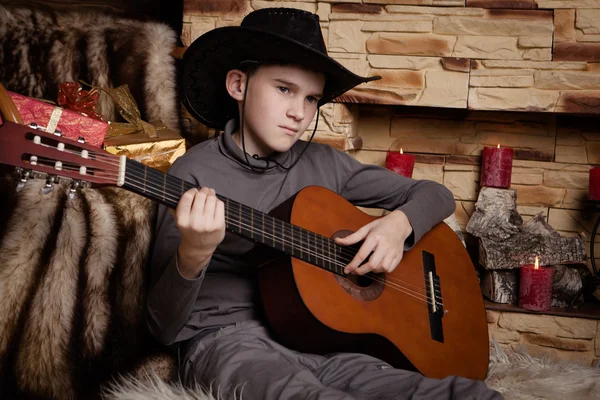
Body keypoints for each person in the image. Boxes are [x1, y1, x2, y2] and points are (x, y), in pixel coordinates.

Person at [147, 7, 503, 400]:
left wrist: (396, 227)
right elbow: (162, 327)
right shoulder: (192, 173)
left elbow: (436, 195)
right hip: (230, 341)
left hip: (327, 339)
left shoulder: (324, 163)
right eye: (284, 89)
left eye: (312, 98)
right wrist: (194, 253)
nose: (299, 113)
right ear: (238, 84)